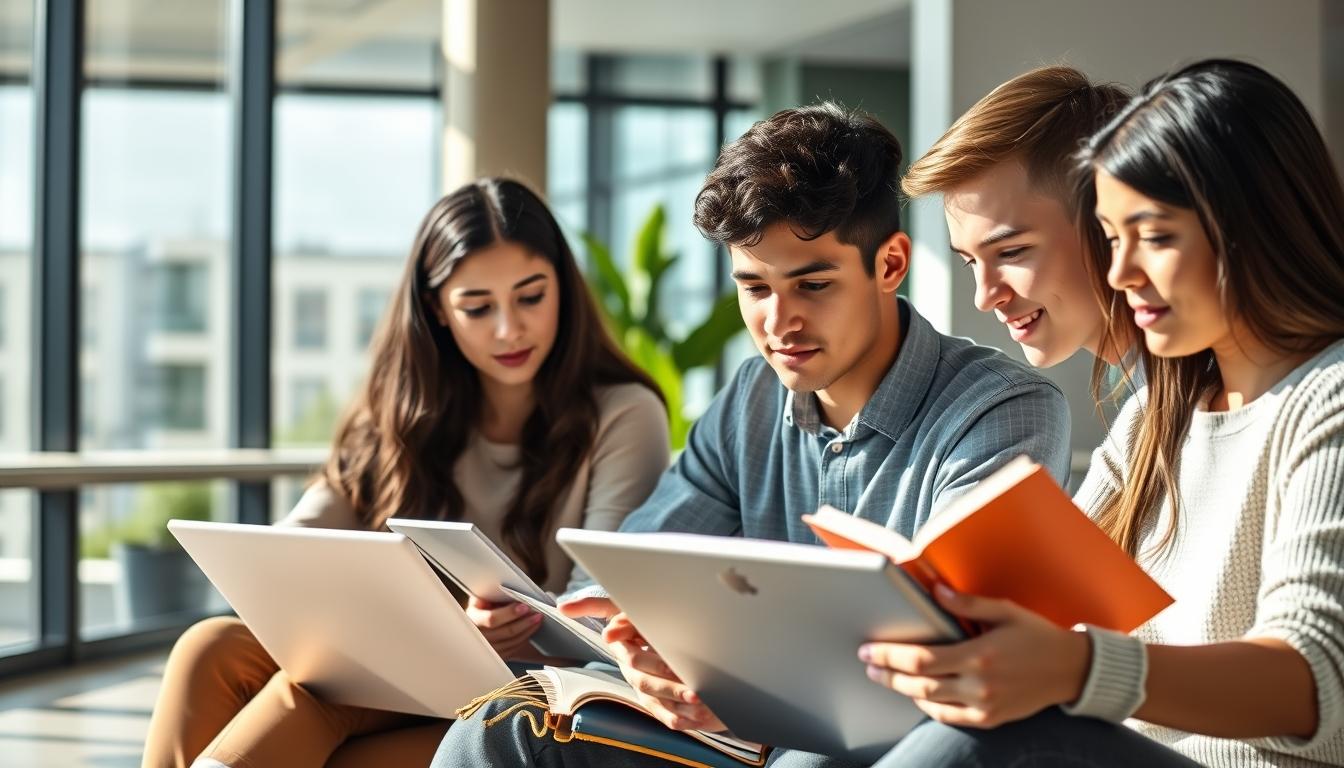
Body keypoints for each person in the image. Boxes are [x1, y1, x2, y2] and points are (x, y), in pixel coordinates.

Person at [430, 102, 1072, 768]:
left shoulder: (1004, 413)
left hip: (890, 745)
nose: (778, 322)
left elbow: (953, 664)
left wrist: (753, 693)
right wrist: (609, 635)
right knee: (499, 730)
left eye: (812, 284)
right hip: (739, 733)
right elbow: (628, 570)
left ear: (890, 264)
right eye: (754, 287)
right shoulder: (752, 400)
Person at [865, 59, 1344, 767]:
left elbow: (1313, 680)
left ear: (1248, 224)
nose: (1118, 273)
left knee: (974, 743)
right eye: (1114, 239)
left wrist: (1078, 668)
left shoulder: (1325, 399)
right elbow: (1039, 621)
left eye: (1150, 236)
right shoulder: (1157, 416)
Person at [140, 178, 670, 768]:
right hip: (397, 668)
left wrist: (505, 626)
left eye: (530, 297)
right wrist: (276, 561)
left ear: (563, 294)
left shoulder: (622, 413)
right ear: (438, 310)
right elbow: (316, 516)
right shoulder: (402, 404)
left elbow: (598, 606)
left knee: (309, 700)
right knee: (208, 648)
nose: (508, 329)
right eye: (477, 307)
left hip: (527, 686)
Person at [901, 65, 1134, 378]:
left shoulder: (1205, 405)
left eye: (1011, 252)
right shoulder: (1142, 396)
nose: (984, 298)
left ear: (1108, 225)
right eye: (970, 262)